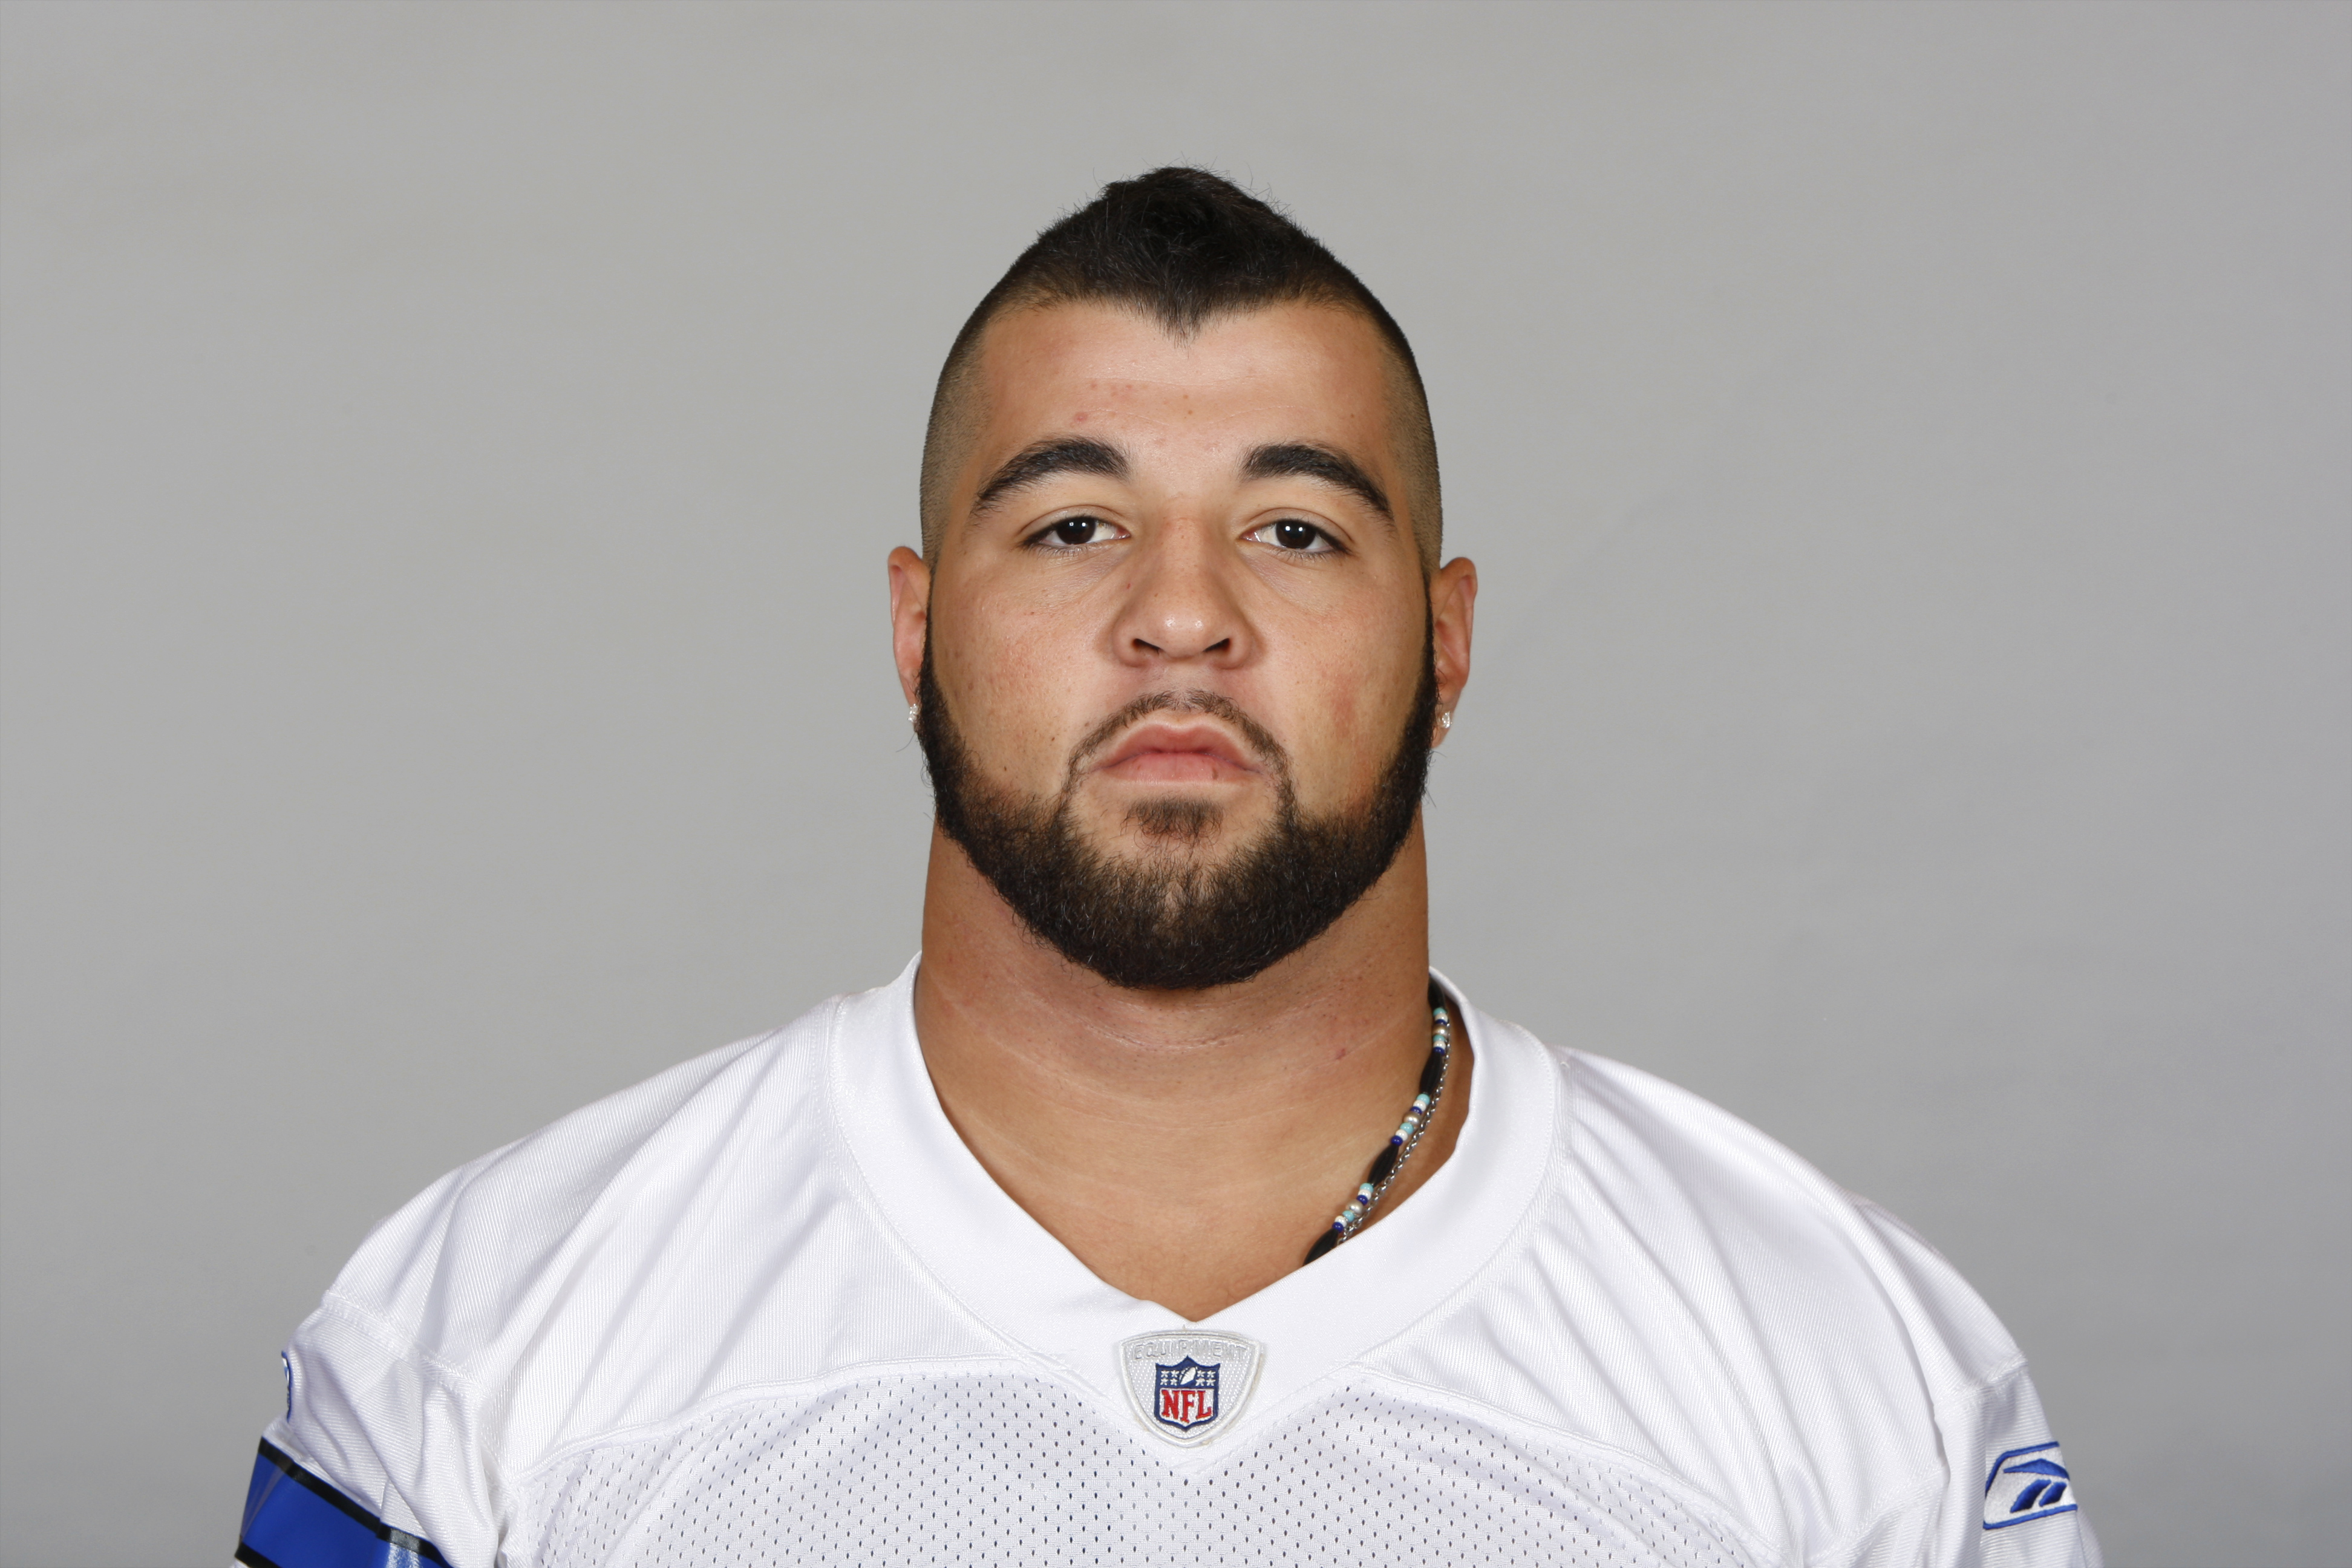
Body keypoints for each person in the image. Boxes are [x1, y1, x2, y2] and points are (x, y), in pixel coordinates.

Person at [234, 168, 2097, 1568]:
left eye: (1296, 529)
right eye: (1073, 525)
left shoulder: (1849, 1364)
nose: (1183, 615)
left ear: (1447, 641)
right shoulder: (486, 1330)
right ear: (917, 631)